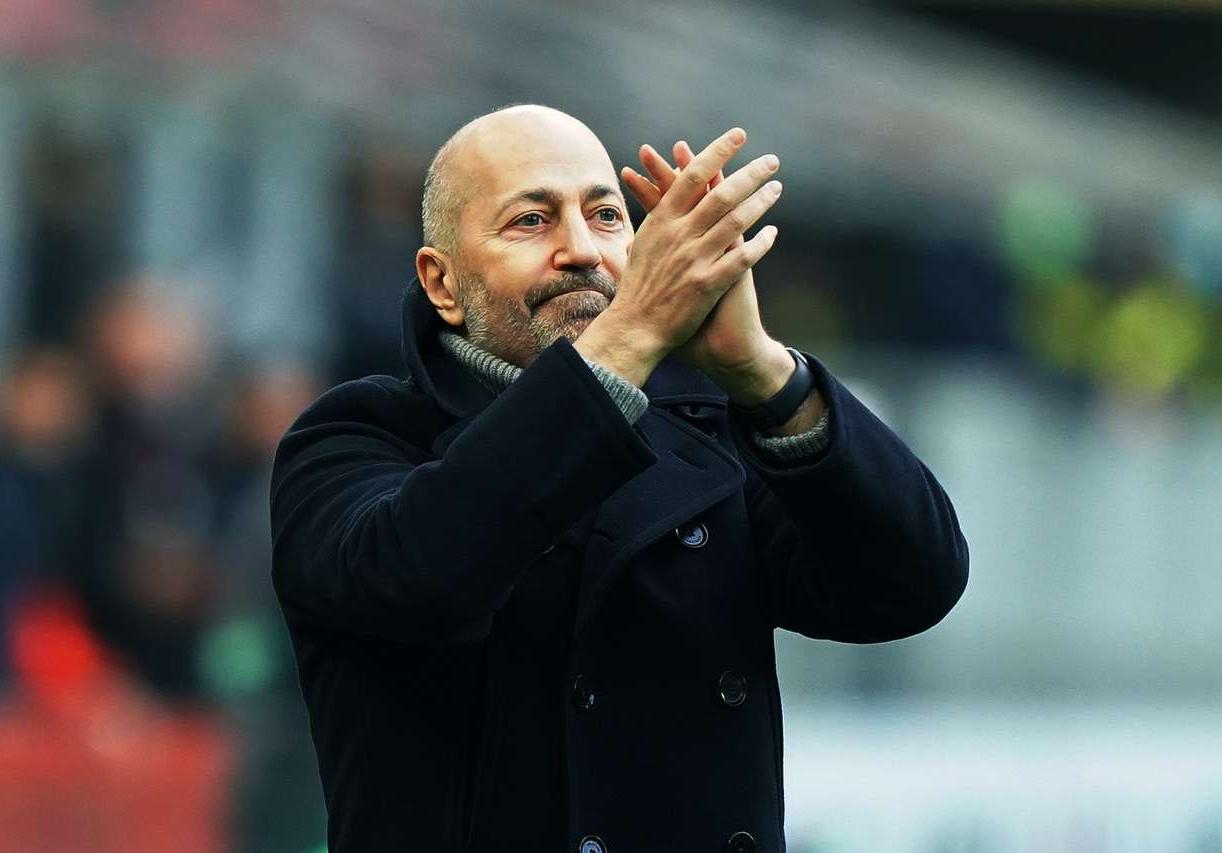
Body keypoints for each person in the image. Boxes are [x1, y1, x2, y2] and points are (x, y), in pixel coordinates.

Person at [270, 105, 969, 853]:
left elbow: (912, 584)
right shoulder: (351, 441)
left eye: (606, 216)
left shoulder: (708, 438)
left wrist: (763, 372)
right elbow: (423, 575)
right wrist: (629, 335)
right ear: (442, 283)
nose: (581, 250)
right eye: (531, 221)